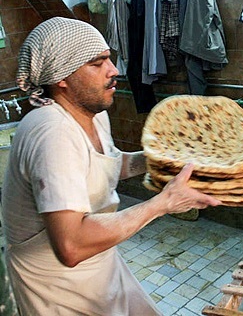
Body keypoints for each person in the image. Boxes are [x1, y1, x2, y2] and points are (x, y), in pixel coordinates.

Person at [0, 17, 222, 315]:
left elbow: (107, 167)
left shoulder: (92, 112)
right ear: (61, 77)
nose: (114, 70)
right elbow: (71, 245)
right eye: (97, 63)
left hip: (100, 266)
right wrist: (163, 203)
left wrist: (161, 158)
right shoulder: (52, 134)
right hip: (56, 287)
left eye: (109, 58)